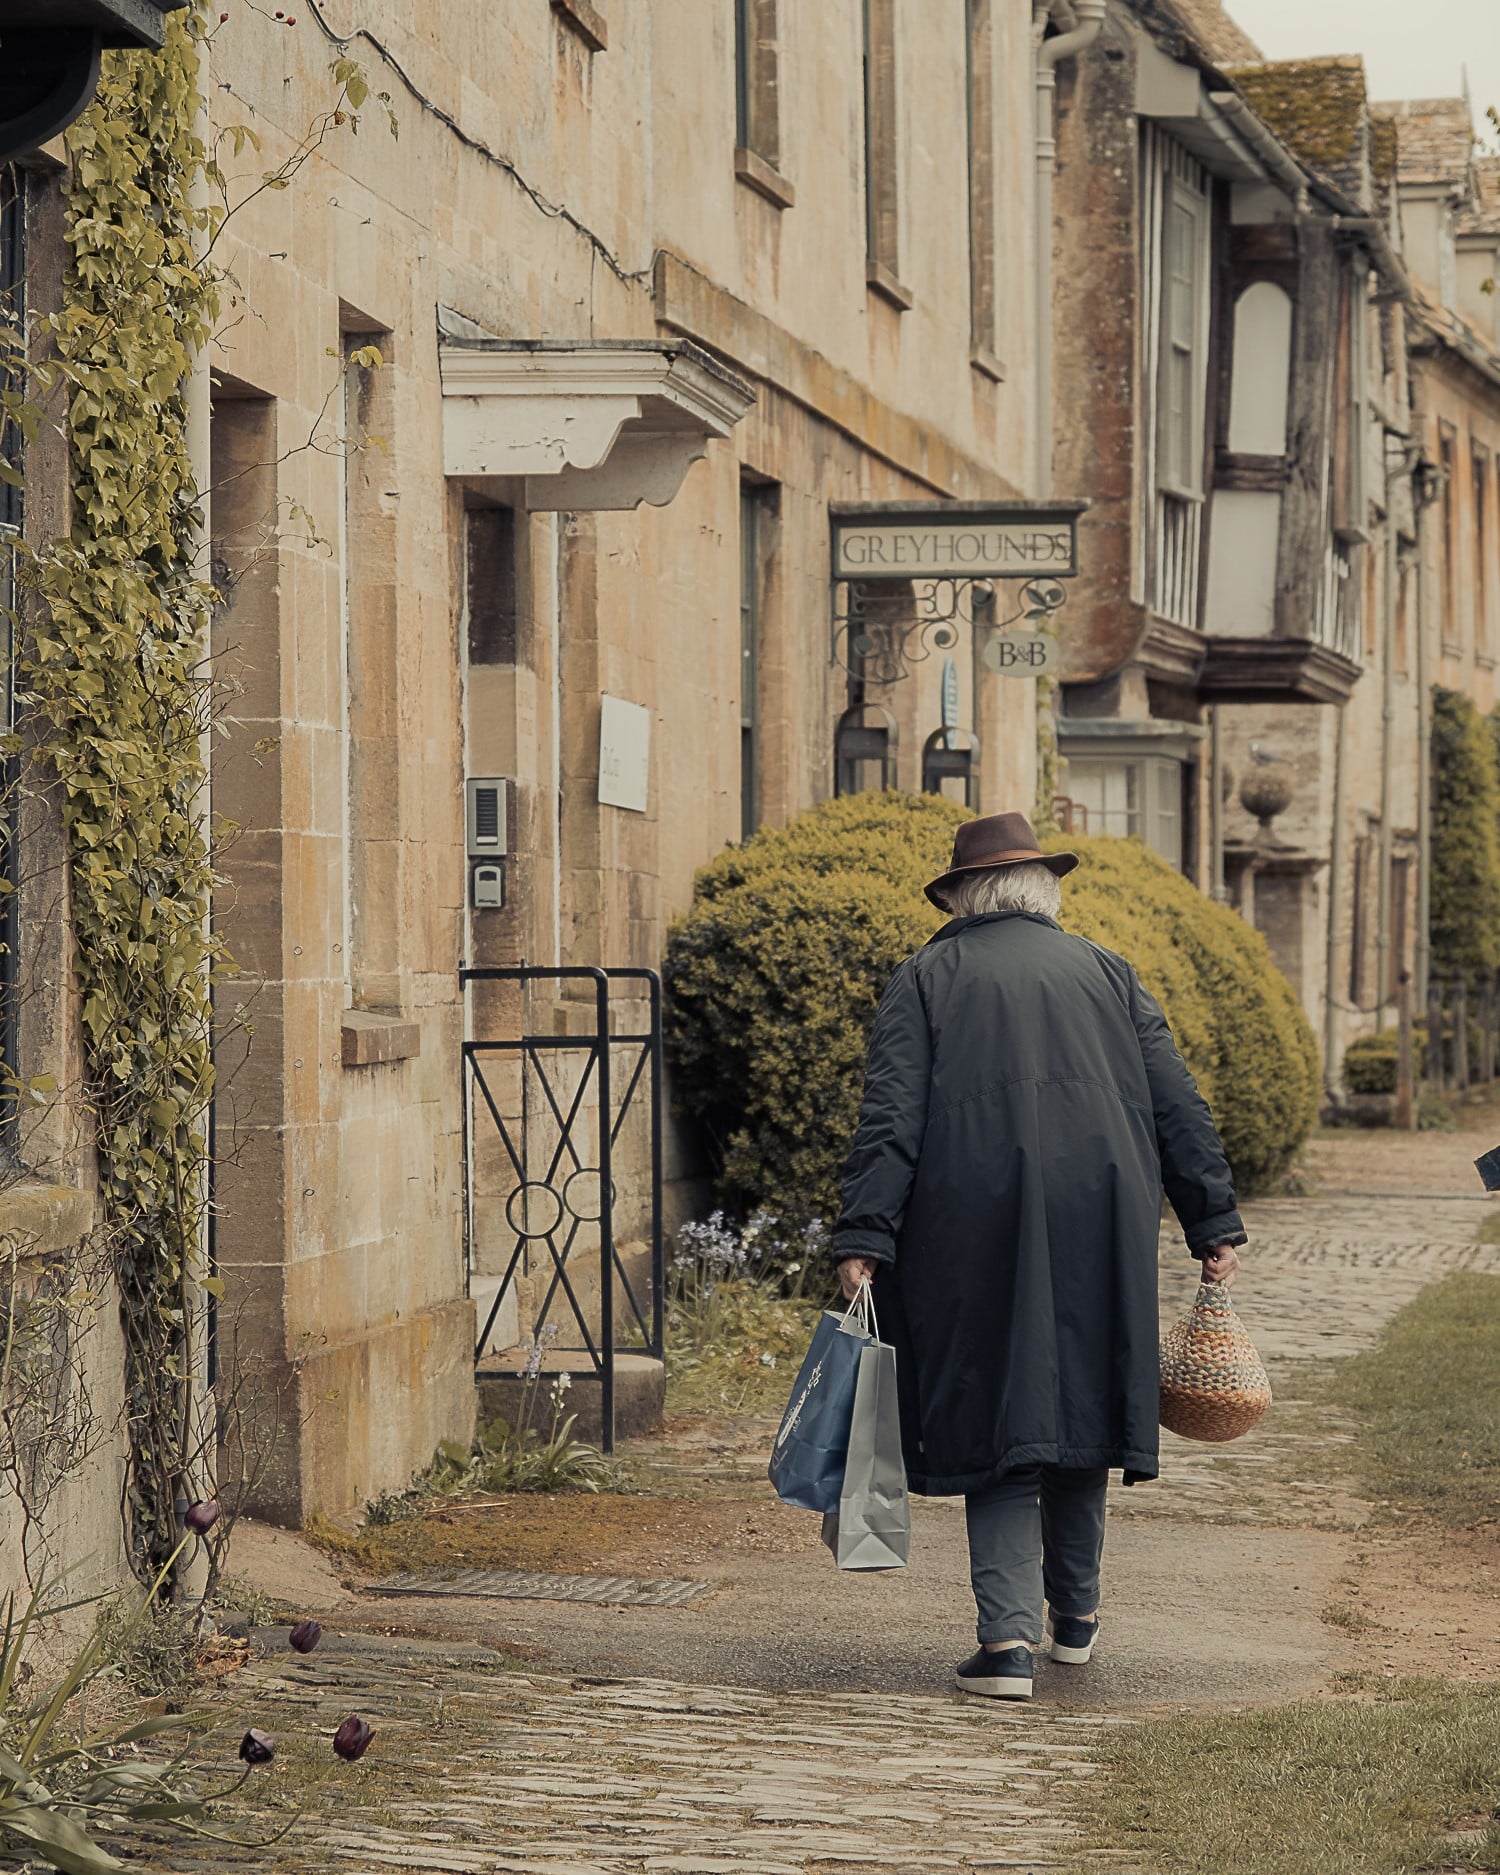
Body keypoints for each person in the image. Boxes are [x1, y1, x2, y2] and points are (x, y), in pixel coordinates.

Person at [831, 810, 1245, 1700]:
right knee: (1083, 1410)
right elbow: (1179, 1103)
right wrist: (1212, 1221)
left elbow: (890, 1122)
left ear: (963, 895)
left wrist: (865, 1234)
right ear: (1042, 891)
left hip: (974, 1219)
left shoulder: (928, 976)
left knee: (1003, 1419)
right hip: (1104, 1213)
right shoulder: (1108, 971)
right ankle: (1078, 1622)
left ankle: (1008, 1644)